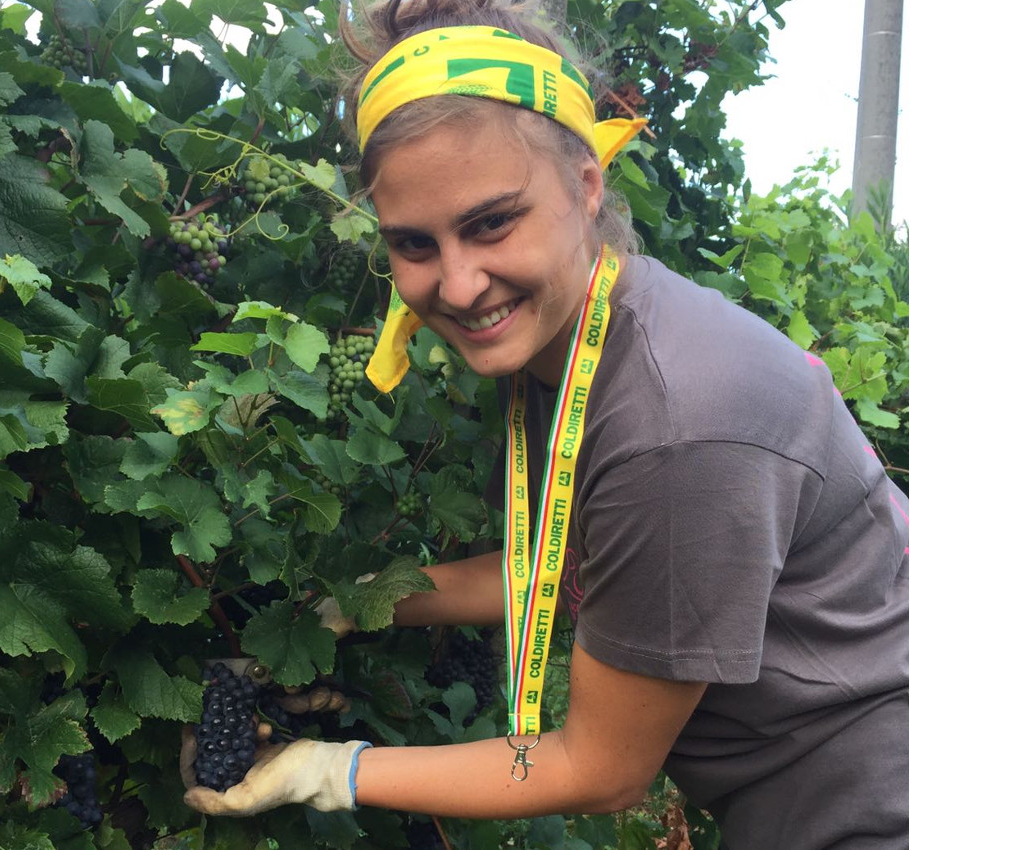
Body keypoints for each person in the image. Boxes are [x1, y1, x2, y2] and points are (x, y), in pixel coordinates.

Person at [180, 1, 909, 846]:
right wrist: (342, 609)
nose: (457, 286)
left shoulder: (673, 422)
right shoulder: (576, 336)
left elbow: (601, 771)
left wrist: (333, 769)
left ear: (586, 182)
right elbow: (567, 563)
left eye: (492, 222)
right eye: (415, 243)